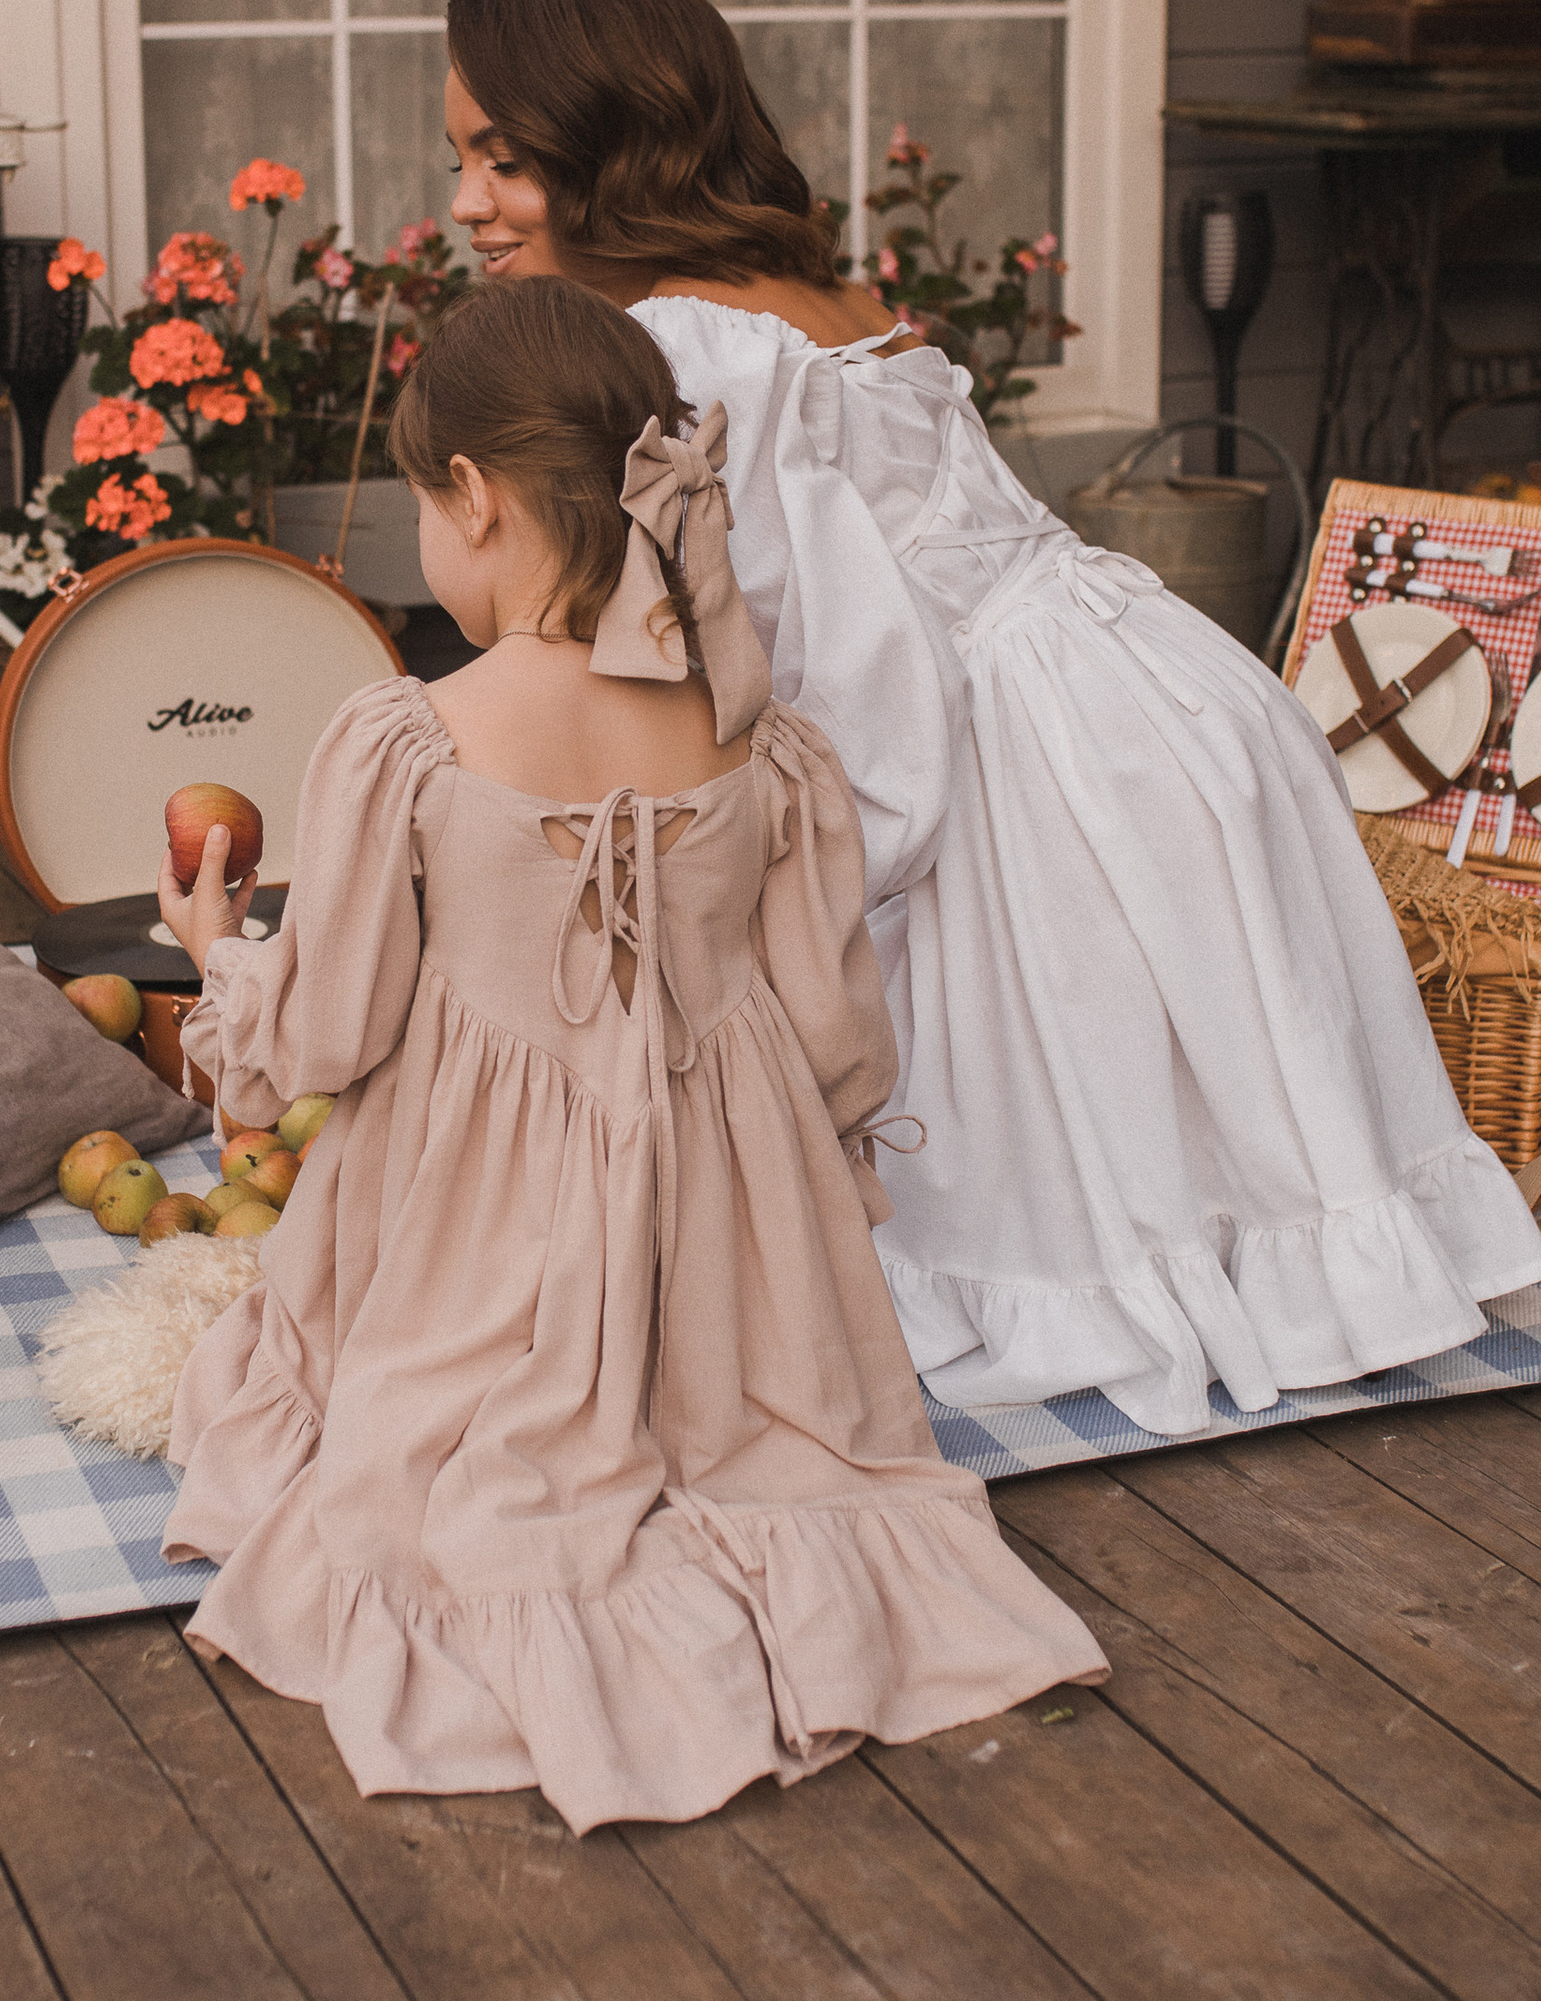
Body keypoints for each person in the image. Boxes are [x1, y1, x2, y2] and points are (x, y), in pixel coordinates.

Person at [437, 0, 1541, 1442]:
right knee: (1206, 1085)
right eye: (462, 161)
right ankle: (1309, 1276)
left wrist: (772, 875)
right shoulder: (814, 299)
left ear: (611, 140)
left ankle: (1106, 1286)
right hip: (1149, 687)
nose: (467, 203)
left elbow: (832, 668)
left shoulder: (687, 351)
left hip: (1016, 745)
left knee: (1028, 1094)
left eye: (503, 161)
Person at [157, 277, 1105, 1834]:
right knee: (775, 1444)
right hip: (722, 1241)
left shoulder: (411, 738)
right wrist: (821, 1163)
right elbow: (833, 1026)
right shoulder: (756, 734)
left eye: (423, 511)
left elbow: (328, 1035)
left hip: (479, 1226)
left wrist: (219, 958)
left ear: (474, 495)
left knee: (343, 1374)